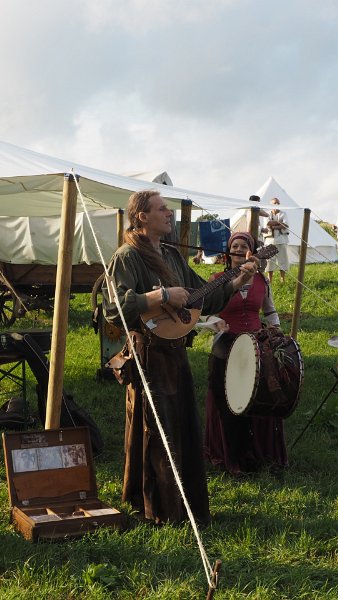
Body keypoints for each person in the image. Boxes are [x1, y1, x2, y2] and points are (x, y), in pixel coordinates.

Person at [102, 190, 255, 526]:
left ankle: (183, 505)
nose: (169, 214)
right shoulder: (128, 256)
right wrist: (161, 295)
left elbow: (204, 296)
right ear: (142, 216)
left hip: (175, 356)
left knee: (182, 430)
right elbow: (113, 309)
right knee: (156, 432)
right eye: (161, 209)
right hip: (148, 355)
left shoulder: (171, 255)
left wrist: (237, 281)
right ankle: (157, 508)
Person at [204, 232, 286, 475]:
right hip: (226, 340)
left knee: (260, 394)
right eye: (235, 246)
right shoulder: (217, 279)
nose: (239, 249)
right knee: (227, 394)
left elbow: (270, 312)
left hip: (255, 341)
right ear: (229, 252)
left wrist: (277, 330)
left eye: (244, 246)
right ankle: (231, 451)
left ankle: (258, 449)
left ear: (252, 252)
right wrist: (216, 322)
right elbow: (206, 311)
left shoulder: (262, 281)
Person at [262, 198, 289, 283]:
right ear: (271, 204)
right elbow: (268, 223)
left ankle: (282, 279)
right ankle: (270, 279)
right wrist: (279, 223)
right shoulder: (267, 214)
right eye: (274, 203)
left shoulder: (283, 213)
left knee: (283, 260)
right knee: (269, 260)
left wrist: (274, 225)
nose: (276, 204)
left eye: (278, 203)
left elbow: (285, 225)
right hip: (270, 240)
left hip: (281, 240)